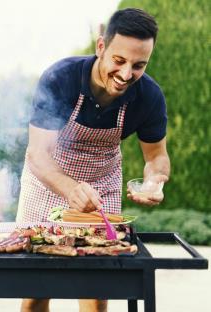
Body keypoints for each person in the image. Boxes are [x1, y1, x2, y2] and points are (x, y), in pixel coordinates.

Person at [17, 8, 170, 312]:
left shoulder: (149, 97)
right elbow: (38, 154)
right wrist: (69, 188)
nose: (127, 75)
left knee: (97, 288)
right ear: (101, 47)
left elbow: (156, 156)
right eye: (119, 60)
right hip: (47, 180)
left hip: (103, 185)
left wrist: (155, 180)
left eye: (139, 65)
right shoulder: (61, 79)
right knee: (36, 286)